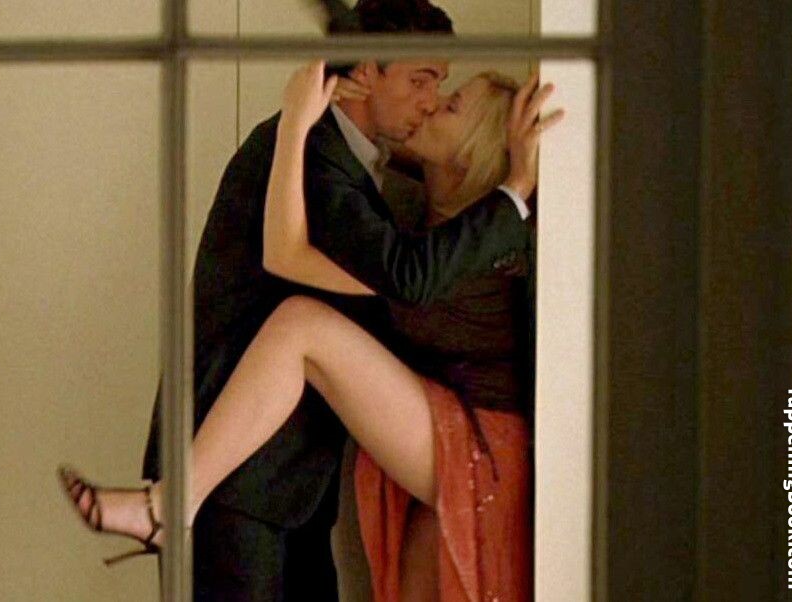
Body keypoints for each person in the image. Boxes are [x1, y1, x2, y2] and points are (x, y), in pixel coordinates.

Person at [60, 60, 561, 602]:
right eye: (425, 84)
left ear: (474, 149)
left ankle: (168, 506)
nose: (432, 103)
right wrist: (320, 111)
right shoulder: (420, 220)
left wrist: (517, 179)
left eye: (451, 104)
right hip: (435, 435)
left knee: (301, 328)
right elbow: (338, 193)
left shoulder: (461, 251)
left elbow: (303, 257)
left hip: (482, 441)